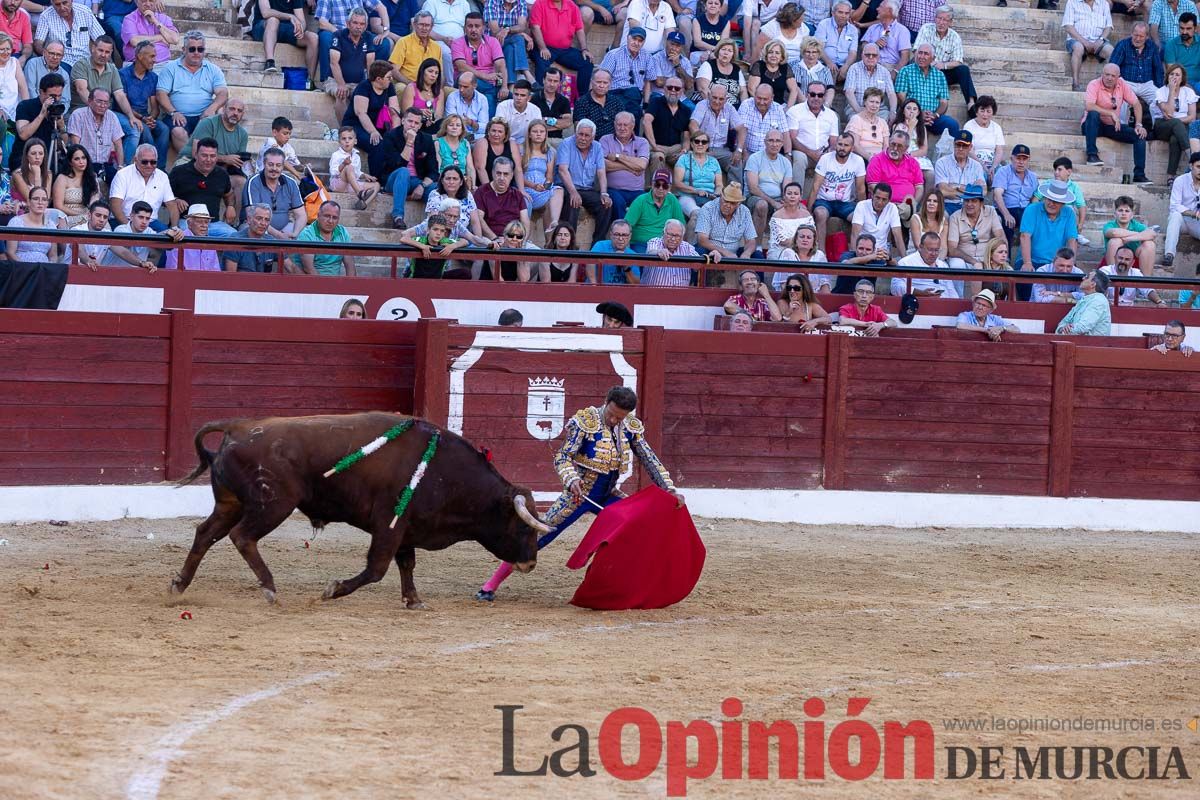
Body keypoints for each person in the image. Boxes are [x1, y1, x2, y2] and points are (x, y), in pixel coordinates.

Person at [474, 385, 683, 603]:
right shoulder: (585, 422)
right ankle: (490, 585)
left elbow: (649, 459)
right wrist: (572, 479)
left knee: (637, 531)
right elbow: (562, 457)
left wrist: (669, 488)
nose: (614, 420)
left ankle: (618, 584)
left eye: (620, 417)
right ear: (606, 401)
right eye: (612, 414)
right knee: (539, 534)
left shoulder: (630, 427)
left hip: (608, 495)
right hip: (579, 495)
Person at [156, 31, 228, 158]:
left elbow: (223, 93)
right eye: (192, 49)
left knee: (209, 125)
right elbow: (161, 94)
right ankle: (194, 162)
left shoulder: (213, 69)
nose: (196, 52)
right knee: (178, 132)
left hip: (204, 114)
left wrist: (211, 109)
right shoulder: (170, 68)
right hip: (177, 115)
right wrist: (173, 112)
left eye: (200, 49)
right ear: (184, 50)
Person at [1082, 62, 1149, 184]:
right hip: (1091, 126)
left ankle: (1139, 175)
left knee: (1139, 135)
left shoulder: (1122, 84)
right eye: (1107, 75)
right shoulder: (1094, 84)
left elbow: (1136, 104)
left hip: (1111, 126)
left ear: (1118, 77)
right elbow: (1089, 105)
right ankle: (1092, 155)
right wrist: (1110, 113)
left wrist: (1139, 124)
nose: (1109, 78)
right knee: (1093, 114)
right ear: (1102, 74)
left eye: (1113, 76)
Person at [375, 107, 438, 229]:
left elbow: (433, 172)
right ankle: (398, 217)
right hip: (394, 179)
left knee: (437, 189)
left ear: (420, 126)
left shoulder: (426, 139)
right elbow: (396, 165)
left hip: (417, 182)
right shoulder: (390, 136)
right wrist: (409, 142)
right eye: (410, 121)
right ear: (403, 121)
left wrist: (422, 186)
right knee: (404, 172)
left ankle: (434, 224)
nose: (412, 125)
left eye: (416, 123)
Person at [1018, 180, 1079, 301]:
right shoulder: (1032, 209)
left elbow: (1072, 240)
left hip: (1057, 263)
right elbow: (1025, 236)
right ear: (1044, 198)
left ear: (1063, 203)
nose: (1052, 203)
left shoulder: (1069, 213)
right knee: (1026, 281)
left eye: (1056, 201)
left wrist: (1071, 262)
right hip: (1032, 261)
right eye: (1049, 199)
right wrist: (1027, 262)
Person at [553, 118, 613, 241]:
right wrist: (573, 192)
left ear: (592, 137)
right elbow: (562, 170)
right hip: (568, 187)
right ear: (575, 133)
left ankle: (597, 245)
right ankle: (570, 245)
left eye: (587, 135)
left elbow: (601, 172)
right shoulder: (566, 144)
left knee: (606, 205)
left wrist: (604, 193)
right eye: (580, 134)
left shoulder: (597, 147)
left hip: (587, 189)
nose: (583, 138)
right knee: (572, 202)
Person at [913, 5, 974, 113]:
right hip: (924, 68)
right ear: (935, 18)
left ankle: (971, 103)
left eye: (945, 20)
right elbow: (916, 50)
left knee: (963, 70)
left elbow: (958, 61)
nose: (941, 22)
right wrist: (929, 62)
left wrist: (944, 65)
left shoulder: (954, 37)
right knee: (911, 64)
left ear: (950, 22)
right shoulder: (926, 29)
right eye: (939, 18)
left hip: (943, 73)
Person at [809, 131, 866, 247]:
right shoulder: (825, 159)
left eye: (846, 145)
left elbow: (861, 189)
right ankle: (821, 254)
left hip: (845, 203)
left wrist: (863, 209)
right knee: (820, 214)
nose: (842, 148)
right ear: (836, 145)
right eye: (840, 144)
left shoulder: (858, 161)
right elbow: (815, 186)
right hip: (824, 201)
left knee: (858, 218)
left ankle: (854, 253)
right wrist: (809, 210)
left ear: (852, 148)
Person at [119, 41, 168, 166]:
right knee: (144, 130)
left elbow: (155, 106)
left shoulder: (153, 77)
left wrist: (152, 118)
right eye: (151, 56)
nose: (155, 60)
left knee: (163, 129)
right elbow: (123, 104)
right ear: (140, 56)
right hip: (126, 114)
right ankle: (150, 164)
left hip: (145, 116)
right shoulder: (123, 74)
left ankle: (160, 168)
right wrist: (143, 119)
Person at [894, 43, 957, 140]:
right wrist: (918, 114)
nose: (921, 57)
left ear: (933, 58)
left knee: (952, 125)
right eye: (920, 53)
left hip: (932, 118)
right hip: (910, 115)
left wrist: (934, 115)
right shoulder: (905, 71)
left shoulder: (939, 75)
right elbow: (901, 97)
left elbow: (944, 102)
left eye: (926, 54)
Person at [243, 146, 305, 239]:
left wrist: (294, 234)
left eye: (278, 165)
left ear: (283, 166)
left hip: (284, 228)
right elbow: (252, 216)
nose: (274, 168)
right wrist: (278, 235)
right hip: (258, 227)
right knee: (254, 231)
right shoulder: (253, 182)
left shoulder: (290, 182)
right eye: (270, 164)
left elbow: (301, 215)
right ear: (264, 163)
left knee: (303, 235)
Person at [530, 0, 593, 91]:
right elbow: (535, 27)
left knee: (587, 62)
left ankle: (582, 99)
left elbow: (579, 29)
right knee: (542, 61)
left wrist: (584, 49)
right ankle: (540, 96)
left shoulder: (571, 5)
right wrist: (542, 47)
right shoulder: (540, 3)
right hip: (544, 47)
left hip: (564, 50)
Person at [325, 8, 375, 123]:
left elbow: (370, 63)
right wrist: (341, 84)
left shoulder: (368, 37)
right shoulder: (338, 35)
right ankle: (344, 129)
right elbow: (334, 63)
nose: (358, 27)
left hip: (358, 82)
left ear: (366, 26)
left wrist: (371, 85)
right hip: (334, 80)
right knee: (341, 94)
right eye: (355, 23)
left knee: (368, 96)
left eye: (362, 24)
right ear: (348, 23)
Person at [452, 11, 507, 114]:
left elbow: (501, 64)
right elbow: (461, 67)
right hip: (464, 80)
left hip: (489, 82)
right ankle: (489, 125)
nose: (473, 29)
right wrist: (485, 76)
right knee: (490, 91)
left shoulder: (493, 41)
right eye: (470, 26)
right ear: (464, 28)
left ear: (484, 28)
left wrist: (504, 87)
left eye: (477, 26)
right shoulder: (457, 43)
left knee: (499, 96)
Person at [745, 128, 795, 239]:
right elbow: (753, 188)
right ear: (765, 142)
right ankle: (756, 246)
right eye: (771, 140)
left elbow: (787, 188)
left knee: (797, 207)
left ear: (782, 144)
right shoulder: (755, 158)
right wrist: (773, 203)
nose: (774, 144)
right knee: (762, 205)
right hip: (754, 198)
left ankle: (788, 247)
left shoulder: (785, 162)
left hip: (777, 198)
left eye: (778, 141)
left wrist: (786, 201)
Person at [787, 78, 838, 184]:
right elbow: (792, 138)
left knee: (834, 158)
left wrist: (827, 153)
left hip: (823, 153)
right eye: (813, 94)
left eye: (820, 95)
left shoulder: (831, 115)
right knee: (799, 159)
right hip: (802, 152)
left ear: (824, 97)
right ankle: (797, 195)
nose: (816, 98)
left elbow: (833, 141)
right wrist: (811, 153)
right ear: (807, 94)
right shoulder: (795, 111)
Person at [66, 86, 122, 184]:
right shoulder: (78, 115)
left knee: (119, 183)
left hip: (104, 165)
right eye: (99, 101)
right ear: (90, 101)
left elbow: (118, 144)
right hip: (84, 165)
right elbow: (76, 146)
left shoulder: (112, 116)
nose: (103, 105)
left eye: (106, 102)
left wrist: (120, 167)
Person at [696, 184, 760, 265]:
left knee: (757, 256)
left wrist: (746, 254)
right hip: (711, 250)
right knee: (699, 252)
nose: (728, 206)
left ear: (738, 203)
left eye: (732, 203)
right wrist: (724, 252)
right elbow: (702, 240)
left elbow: (751, 240)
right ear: (721, 197)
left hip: (734, 253)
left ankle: (755, 278)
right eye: (725, 201)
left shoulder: (744, 211)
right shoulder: (708, 208)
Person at [866, 129, 923, 220]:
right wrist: (890, 201)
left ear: (906, 148)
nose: (895, 148)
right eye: (893, 144)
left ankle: (908, 213)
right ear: (889, 142)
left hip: (907, 205)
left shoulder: (913, 162)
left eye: (899, 146)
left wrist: (914, 203)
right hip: (885, 204)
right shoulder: (876, 160)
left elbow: (919, 187)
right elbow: (873, 186)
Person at [688, 82, 742, 174]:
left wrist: (739, 149)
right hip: (703, 146)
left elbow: (742, 129)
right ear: (709, 95)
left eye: (721, 99)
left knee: (736, 162)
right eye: (714, 97)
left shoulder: (729, 108)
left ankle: (734, 188)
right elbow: (693, 124)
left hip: (721, 150)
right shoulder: (702, 105)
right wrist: (701, 144)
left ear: (726, 99)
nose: (717, 101)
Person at [992, 144, 1038, 249]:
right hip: (1006, 208)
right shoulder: (1003, 171)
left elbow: (1035, 198)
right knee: (1006, 222)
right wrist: (1006, 214)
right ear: (1012, 158)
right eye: (1018, 158)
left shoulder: (1033, 177)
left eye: (1024, 159)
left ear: (1028, 160)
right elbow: (997, 195)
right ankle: (1005, 258)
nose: (1021, 162)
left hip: (1025, 210)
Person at [623, 169, 684, 248]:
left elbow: (681, 226)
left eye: (665, 186)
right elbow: (626, 226)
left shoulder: (672, 200)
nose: (661, 188)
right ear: (652, 184)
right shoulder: (640, 200)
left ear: (670, 188)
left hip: (665, 244)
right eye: (657, 185)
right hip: (642, 244)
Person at [1153, 62, 1194, 177]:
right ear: (1167, 76)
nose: (1174, 77)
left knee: (1175, 139)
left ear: (1182, 78)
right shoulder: (1160, 91)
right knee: (1176, 123)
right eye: (1171, 74)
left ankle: (1171, 177)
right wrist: (1171, 91)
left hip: (1179, 127)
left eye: (1177, 75)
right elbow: (1169, 112)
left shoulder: (1188, 92)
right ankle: (1192, 157)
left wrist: (1176, 122)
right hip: (1162, 126)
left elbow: (1192, 116)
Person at [293, 199, 355, 276]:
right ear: (318, 215)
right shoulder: (307, 234)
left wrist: (351, 287)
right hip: (310, 282)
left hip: (335, 283)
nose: (330, 221)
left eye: (334, 218)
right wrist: (324, 286)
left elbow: (350, 266)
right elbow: (308, 269)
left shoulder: (342, 232)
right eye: (327, 216)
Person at [643, 76, 691, 175]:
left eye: (677, 88)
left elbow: (686, 136)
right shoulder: (656, 102)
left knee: (688, 159)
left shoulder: (686, 110)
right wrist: (654, 145)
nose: (673, 90)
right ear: (664, 88)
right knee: (658, 157)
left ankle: (685, 189)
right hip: (655, 146)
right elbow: (646, 122)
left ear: (682, 91)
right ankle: (657, 187)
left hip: (674, 148)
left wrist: (684, 150)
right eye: (670, 87)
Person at [34, 0, 102, 69]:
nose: (62, 7)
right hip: (61, 62)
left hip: (85, 61)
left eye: (65, 3)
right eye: (57, 4)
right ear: (52, 4)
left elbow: (100, 38)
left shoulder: (85, 11)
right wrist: (49, 56)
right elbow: (38, 43)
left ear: (71, 1)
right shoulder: (46, 15)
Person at [1063, 0, 1115, 91]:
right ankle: (1076, 83)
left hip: (1098, 40)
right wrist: (1084, 42)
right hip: (1077, 39)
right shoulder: (1072, 2)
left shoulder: (1104, 4)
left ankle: (1108, 86)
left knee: (1111, 51)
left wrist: (1101, 39)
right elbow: (1068, 26)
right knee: (1078, 48)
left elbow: (1109, 26)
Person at [672, 131, 723, 223]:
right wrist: (696, 191)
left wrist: (716, 193)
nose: (700, 144)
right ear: (691, 143)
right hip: (688, 195)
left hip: (709, 196)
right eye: (697, 141)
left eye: (704, 142)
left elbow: (719, 184)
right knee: (697, 214)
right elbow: (677, 183)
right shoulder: (684, 159)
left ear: (707, 145)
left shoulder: (714, 161)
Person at [934, 130, 986, 216]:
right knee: (943, 215)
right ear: (953, 144)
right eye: (958, 145)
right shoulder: (942, 163)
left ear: (970, 147)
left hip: (970, 206)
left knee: (993, 216)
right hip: (948, 205)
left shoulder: (977, 166)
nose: (961, 149)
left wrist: (954, 187)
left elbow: (983, 191)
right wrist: (971, 190)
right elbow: (943, 191)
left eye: (965, 146)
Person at [400, 211, 467, 277]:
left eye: (442, 231)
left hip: (437, 280)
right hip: (417, 279)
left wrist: (452, 246)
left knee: (465, 273)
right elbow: (403, 239)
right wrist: (423, 246)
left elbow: (464, 241)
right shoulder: (422, 240)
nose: (438, 233)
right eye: (435, 229)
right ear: (428, 230)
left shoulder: (444, 241)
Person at [893, 230, 958, 298]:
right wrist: (919, 293)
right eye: (930, 250)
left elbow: (951, 290)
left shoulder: (943, 266)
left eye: (936, 250)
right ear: (920, 247)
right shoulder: (905, 263)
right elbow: (895, 287)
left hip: (945, 304)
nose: (933, 254)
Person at [1102, 194, 1158, 272]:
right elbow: (1114, 233)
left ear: (1132, 214)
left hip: (1134, 261)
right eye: (1120, 210)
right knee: (1115, 241)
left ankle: (1145, 281)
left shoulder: (1136, 225)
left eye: (1127, 211)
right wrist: (1139, 235)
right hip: (1112, 262)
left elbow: (1152, 234)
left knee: (1150, 244)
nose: (1123, 213)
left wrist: (1128, 238)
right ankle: (1113, 278)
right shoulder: (1110, 225)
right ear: (1115, 213)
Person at [844, 42, 897, 122]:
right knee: (857, 121)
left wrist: (893, 111)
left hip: (879, 110)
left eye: (874, 55)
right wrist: (859, 110)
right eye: (867, 55)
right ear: (862, 55)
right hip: (857, 108)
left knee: (886, 119)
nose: (871, 57)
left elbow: (891, 94)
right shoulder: (854, 69)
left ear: (878, 57)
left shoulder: (884, 71)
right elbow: (849, 92)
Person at [330, 126, 381, 209]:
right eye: (344, 139)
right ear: (339, 141)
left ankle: (363, 203)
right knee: (349, 167)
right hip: (339, 184)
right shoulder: (336, 155)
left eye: (350, 138)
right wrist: (343, 164)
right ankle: (360, 193)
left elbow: (356, 173)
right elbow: (333, 172)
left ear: (355, 141)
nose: (347, 141)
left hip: (351, 186)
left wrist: (364, 175)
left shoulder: (356, 156)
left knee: (377, 185)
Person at [484, 0, 532, 87]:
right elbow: (495, 31)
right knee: (518, 38)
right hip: (493, 42)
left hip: (509, 41)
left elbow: (521, 26)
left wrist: (508, 30)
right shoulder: (492, 2)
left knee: (510, 48)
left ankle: (510, 88)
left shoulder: (521, 2)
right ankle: (526, 73)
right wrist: (520, 33)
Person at [850, 181, 904, 258]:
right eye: (877, 198)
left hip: (881, 254)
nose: (879, 202)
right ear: (872, 195)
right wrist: (854, 258)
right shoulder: (861, 205)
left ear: (889, 200)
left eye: (884, 199)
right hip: (863, 252)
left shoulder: (892, 208)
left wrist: (904, 259)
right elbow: (855, 234)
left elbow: (898, 236)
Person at [643, 218, 703, 285]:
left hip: (681, 294)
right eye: (670, 235)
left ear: (682, 237)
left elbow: (700, 264)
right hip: (654, 292)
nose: (673, 239)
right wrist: (658, 252)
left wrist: (711, 256)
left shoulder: (687, 247)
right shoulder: (655, 241)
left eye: (677, 236)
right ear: (663, 233)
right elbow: (650, 252)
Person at [5, 185, 58, 262]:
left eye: (44, 199)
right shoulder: (16, 222)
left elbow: (53, 256)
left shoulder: (51, 226)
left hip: (44, 270)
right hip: (21, 269)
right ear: (29, 202)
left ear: (47, 203)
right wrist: (26, 267)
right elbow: (10, 253)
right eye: (36, 199)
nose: (40, 202)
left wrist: (49, 269)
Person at [1166, 151, 1200, 266]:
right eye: (1198, 167)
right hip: (1183, 221)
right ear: (1191, 166)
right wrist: (1193, 213)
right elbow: (1174, 205)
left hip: (1197, 224)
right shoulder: (1180, 180)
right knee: (1175, 216)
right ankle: (1169, 255)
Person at [1102, 244, 1168, 305]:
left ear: (1132, 262)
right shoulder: (1105, 271)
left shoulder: (1136, 273)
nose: (1123, 261)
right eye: (1120, 258)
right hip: (1108, 310)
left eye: (1127, 259)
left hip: (1129, 312)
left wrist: (1159, 302)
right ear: (1115, 258)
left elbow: (1147, 290)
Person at [121, 0, 180, 66]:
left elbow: (175, 40)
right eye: (143, 1)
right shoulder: (129, 19)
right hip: (137, 65)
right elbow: (135, 41)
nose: (148, 4)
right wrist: (160, 37)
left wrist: (155, 21)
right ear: (137, 3)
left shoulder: (164, 18)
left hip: (162, 64)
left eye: (151, 0)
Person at [222, 202, 278, 272]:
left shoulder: (271, 241)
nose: (263, 223)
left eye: (267, 220)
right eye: (259, 218)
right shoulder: (235, 240)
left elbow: (291, 267)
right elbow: (231, 277)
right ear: (249, 219)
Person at [163, 204, 221, 271]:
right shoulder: (178, 238)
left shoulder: (210, 243)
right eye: (199, 222)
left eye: (206, 222)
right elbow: (173, 269)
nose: (204, 225)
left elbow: (215, 270)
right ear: (189, 223)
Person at [767, 180, 815, 260]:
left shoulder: (806, 215)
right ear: (784, 196)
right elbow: (782, 241)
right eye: (789, 194)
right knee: (790, 255)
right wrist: (801, 243)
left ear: (800, 197)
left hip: (804, 250)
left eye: (796, 194)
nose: (792, 196)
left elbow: (812, 236)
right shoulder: (777, 216)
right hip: (781, 250)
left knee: (818, 255)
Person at [52, 144, 98, 225]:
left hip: (88, 216)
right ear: (70, 162)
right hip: (66, 217)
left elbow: (94, 202)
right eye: (77, 159)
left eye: (83, 158)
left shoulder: (92, 177)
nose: (81, 162)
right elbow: (58, 206)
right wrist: (80, 215)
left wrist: (89, 214)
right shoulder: (62, 178)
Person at [1055, 270, 1112, 335]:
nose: (1083, 278)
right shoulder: (1086, 299)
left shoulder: (1098, 301)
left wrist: (1066, 329)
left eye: (1087, 277)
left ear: (1093, 284)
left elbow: (1083, 327)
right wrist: (1062, 329)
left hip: (1091, 344)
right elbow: (1063, 323)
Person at [778, 222, 831, 291]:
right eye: (802, 237)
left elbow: (825, 284)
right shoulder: (787, 253)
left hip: (814, 298)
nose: (805, 240)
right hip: (791, 296)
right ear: (796, 240)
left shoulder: (820, 255)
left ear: (813, 243)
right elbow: (783, 283)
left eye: (808, 238)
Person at [961, 95, 1004, 180]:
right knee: (980, 175)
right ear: (976, 111)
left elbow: (999, 151)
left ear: (993, 113)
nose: (985, 114)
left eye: (988, 111)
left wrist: (993, 167)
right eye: (982, 110)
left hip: (992, 163)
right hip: (975, 162)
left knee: (1000, 174)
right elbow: (969, 150)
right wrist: (983, 166)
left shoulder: (996, 127)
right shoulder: (969, 126)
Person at [862, 1, 910, 76]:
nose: (877, 9)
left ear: (889, 11)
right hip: (870, 65)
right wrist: (873, 45)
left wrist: (895, 72)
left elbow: (905, 57)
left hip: (890, 68)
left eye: (880, 7)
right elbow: (863, 47)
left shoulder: (902, 31)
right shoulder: (873, 28)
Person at [473, 117, 523, 189]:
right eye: (493, 131)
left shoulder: (512, 144)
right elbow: (480, 169)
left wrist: (522, 190)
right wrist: (491, 191)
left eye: (500, 132)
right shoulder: (482, 142)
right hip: (486, 187)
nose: (496, 134)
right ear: (488, 132)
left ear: (505, 134)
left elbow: (518, 169)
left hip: (508, 187)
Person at [63, 200, 112, 267]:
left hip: (93, 274)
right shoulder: (77, 230)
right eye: (98, 215)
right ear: (89, 215)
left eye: (105, 217)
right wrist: (88, 261)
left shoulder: (108, 234)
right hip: (71, 274)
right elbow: (79, 249)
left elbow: (123, 252)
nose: (102, 220)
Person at [589, 219, 639, 284]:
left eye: (624, 235)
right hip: (600, 291)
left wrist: (626, 267)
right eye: (617, 234)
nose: (620, 239)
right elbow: (590, 263)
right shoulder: (600, 245)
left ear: (630, 236)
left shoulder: (632, 254)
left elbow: (635, 284)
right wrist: (594, 286)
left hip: (620, 293)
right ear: (611, 235)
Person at [494, 79, 541, 147]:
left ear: (529, 98)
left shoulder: (536, 110)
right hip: (505, 143)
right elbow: (499, 130)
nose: (518, 98)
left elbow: (536, 132)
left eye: (522, 95)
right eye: (516, 94)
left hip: (527, 145)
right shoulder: (503, 106)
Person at [846, 87, 888, 160]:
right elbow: (855, 145)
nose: (874, 105)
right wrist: (870, 158)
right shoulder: (856, 119)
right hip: (860, 158)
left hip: (880, 159)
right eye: (871, 101)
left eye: (877, 102)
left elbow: (886, 145)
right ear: (865, 102)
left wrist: (882, 160)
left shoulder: (883, 122)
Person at [531, 67, 571, 140]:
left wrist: (545, 120)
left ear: (559, 83)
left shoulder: (564, 101)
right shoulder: (534, 99)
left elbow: (567, 123)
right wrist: (558, 123)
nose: (552, 84)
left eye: (555, 81)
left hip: (558, 140)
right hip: (538, 140)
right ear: (543, 80)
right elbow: (532, 124)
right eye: (549, 80)